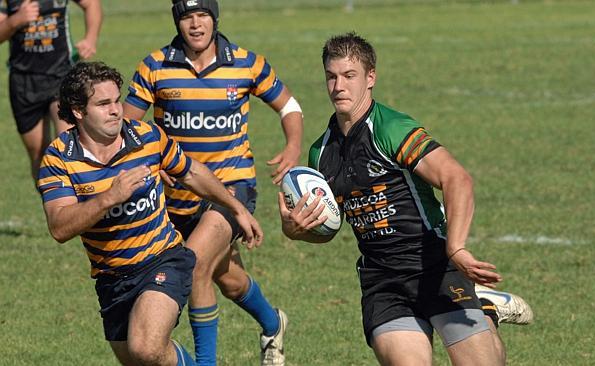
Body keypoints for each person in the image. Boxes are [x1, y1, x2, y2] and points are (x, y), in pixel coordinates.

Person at [278, 32, 533, 366]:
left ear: (370, 78)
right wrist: (296, 230)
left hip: (435, 265)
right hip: (383, 281)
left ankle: (485, 312)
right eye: (331, 76)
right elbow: (330, 223)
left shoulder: (392, 129)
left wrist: (456, 247)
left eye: (349, 76)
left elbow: (456, 179)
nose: (338, 86)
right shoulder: (321, 152)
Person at [37, 61, 263, 366]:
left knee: (146, 347)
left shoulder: (146, 137)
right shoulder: (58, 160)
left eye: (117, 100)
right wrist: (109, 197)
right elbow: (59, 227)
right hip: (111, 278)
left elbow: (192, 172)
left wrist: (237, 208)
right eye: (104, 104)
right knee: (142, 359)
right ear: (78, 111)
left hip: (162, 259)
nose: (117, 110)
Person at [122, 1, 301, 364]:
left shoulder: (247, 63)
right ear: (177, 21)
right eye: (187, 17)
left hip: (234, 186)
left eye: (202, 15)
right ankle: (273, 322)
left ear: (214, 18)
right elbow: (127, 127)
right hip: (176, 197)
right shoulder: (155, 66)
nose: (196, 24)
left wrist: (292, 146)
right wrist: (154, 161)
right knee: (226, 277)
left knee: (197, 263)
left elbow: (289, 106)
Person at [0, 0, 102, 181]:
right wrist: (16, 20)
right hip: (24, 82)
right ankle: (54, 204)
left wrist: (91, 38)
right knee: (39, 154)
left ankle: (78, 202)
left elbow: (91, 4)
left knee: (67, 143)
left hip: (61, 74)